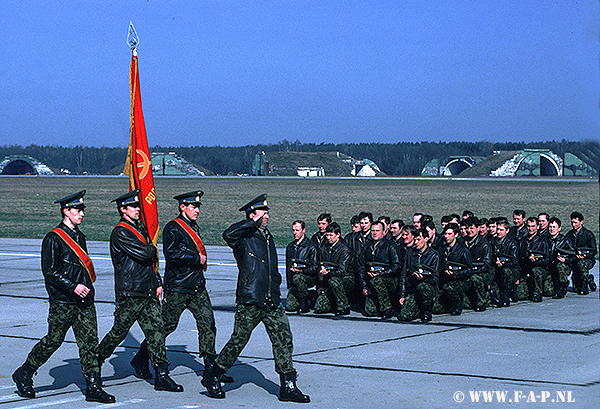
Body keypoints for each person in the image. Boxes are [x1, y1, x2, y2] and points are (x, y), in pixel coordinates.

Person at [202, 194, 309, 403]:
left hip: (271, 300)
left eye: (267, 212)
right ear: (252, 215)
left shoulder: (267, 237)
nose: (267, 215)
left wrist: (276, 289)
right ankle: (213, 375)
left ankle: (288, 385)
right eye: (263, 212)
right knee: (238, 341)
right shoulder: (243, 239)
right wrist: (251, 221)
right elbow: (227, 234)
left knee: (284, 339)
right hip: (251, 299)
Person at [12, 191, 115, 403]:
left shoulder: (79, 236)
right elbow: (50, 271)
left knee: (89, 343)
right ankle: (24, 373)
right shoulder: (54, 238)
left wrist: (84, 289)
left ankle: (93, 386)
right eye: (78, 210)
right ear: (66, 211)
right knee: (53, 340)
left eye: (82, 210)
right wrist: (72, 287)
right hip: (63, 301)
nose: (82, 214)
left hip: (84, 300)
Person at [131, 191, 233, 384]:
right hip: (178, 287)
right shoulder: (173, 228)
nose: (197, 211)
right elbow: (172, 253)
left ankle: (211, 369)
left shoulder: (193, 226)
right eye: (193, 207)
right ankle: (141, 358)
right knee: (166, 326)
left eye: (197, 207)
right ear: (182, 207)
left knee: (208, 325)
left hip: (197, 287)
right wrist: (196, 259)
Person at [98, 189, 183, 392]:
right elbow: (145, 253)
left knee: (157, 333)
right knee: (117, 334)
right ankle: (92, 365)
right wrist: (153, 247)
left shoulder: (140, 230)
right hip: (130, 293)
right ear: (123, 210)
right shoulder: (121, 232)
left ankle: (162, 375)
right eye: (134, 207)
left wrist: (158, 281)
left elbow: (150, 263)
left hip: (147, 291)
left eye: (138, 206)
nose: (138, 209)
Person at [359, 221, 401, 319]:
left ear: (384, 232)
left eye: (377, 230)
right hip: (371, 280)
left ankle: (387, 308)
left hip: (389, 279)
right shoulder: (366, 246)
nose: (374, 233)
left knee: (376, 280)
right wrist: (364, 285)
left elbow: (397, 266)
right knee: (370, 311)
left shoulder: (390, 246)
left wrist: (382, 273)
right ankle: (379, 305)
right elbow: (361, 267)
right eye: (372, 230)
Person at [398, 228, 440, 322]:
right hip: (413, 288)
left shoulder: (433, 255)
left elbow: (436, 278)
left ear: (426, 239)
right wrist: (402, 294)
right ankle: (418, 309)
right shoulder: (410, 253)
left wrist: (425, 279)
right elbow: (404, 274)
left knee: (423, 287)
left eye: (418, 240)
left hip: (426, 287)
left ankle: (426, 311)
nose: (416, 242)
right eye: (415, 240)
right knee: (404, 316)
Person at [313, 222, 353, 316]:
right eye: (327, 235)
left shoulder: (344, 250)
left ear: (338, 235)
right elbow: (320, 266)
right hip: (329, 279)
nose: (328, 238)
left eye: (331, 235)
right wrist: (321, 285)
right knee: (319, 308)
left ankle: (344, 306)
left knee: (333, 281)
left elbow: (342, 271)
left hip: (346, 279)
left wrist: (327, 273)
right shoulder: (324, 248)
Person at [436, 223, 473, 316]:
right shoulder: (441, 249)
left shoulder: (463, 250)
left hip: (461, 280)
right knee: (436, 309)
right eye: (445, 234)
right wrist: (444, 271)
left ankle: (458, 305)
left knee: (449, 288)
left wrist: (456, 274)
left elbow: (469, 270)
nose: (446, 236)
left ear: (456, 235)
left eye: (449, 234)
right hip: (445, 279)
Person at [285, 220, 319, 314]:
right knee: (290, 306)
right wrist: (290, 286)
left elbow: (315, 268)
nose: (295, 233)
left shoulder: (311, 247)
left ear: (303, 230)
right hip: (296, 280)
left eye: (297, 230)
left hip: (308, 277)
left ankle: (304, 302)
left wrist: (302, 271)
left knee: (298, 277)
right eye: (293, 230)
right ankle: (309, 295)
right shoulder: (290, 247)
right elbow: (288, 267)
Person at [463, 217, 493, 312]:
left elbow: (487, 264)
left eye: (472, 228)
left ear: (477, 228)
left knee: (475, 278)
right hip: (467, 270)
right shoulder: (462, 242)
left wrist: (472, 271)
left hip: (483, 272)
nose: (469, 231)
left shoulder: (484, 245)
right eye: (467, 228)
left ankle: (481, 302)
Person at [517, 217, 550, 302]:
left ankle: (537, 293)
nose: (530, 229)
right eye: (528, 226)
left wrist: (536, 261)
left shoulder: (543, 241)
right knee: (520, 295)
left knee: (536, 270)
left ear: (537, 227)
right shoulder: (522, 241)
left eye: (533, 226)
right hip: (525, 270)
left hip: (539, 269)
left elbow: (547, 260)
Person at [565, 212, 597, 295]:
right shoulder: (569, 235)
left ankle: (584, 286)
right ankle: (588, 278)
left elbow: (594, 250)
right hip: (574, 259)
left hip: (586, 259)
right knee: (576, 288)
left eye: (575, 222)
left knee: (582, 264)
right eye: (572, 222)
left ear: (581, 222)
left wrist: (585, 255)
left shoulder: (588, 235)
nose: (573, 224)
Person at [492, 220, 520, 307]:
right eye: (498, 229)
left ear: (507, 231)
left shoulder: (512, 244)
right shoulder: (493, 242)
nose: (498, 232)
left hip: (511, 269)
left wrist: (503, 263)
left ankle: (506, 296)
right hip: (497, 268)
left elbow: (515, 261)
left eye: (501, 230)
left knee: (506, 271)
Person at [547, 217, 575, 299]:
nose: (552, 229)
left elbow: (574, 255)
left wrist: (566, 260)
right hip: (550, 267)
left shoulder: (565, 240)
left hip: (562, 266)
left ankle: (562, 285)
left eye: (554, 227)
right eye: (550, 227)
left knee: (561, 266)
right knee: (548, 291)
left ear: (559, 228)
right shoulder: (545, 240)